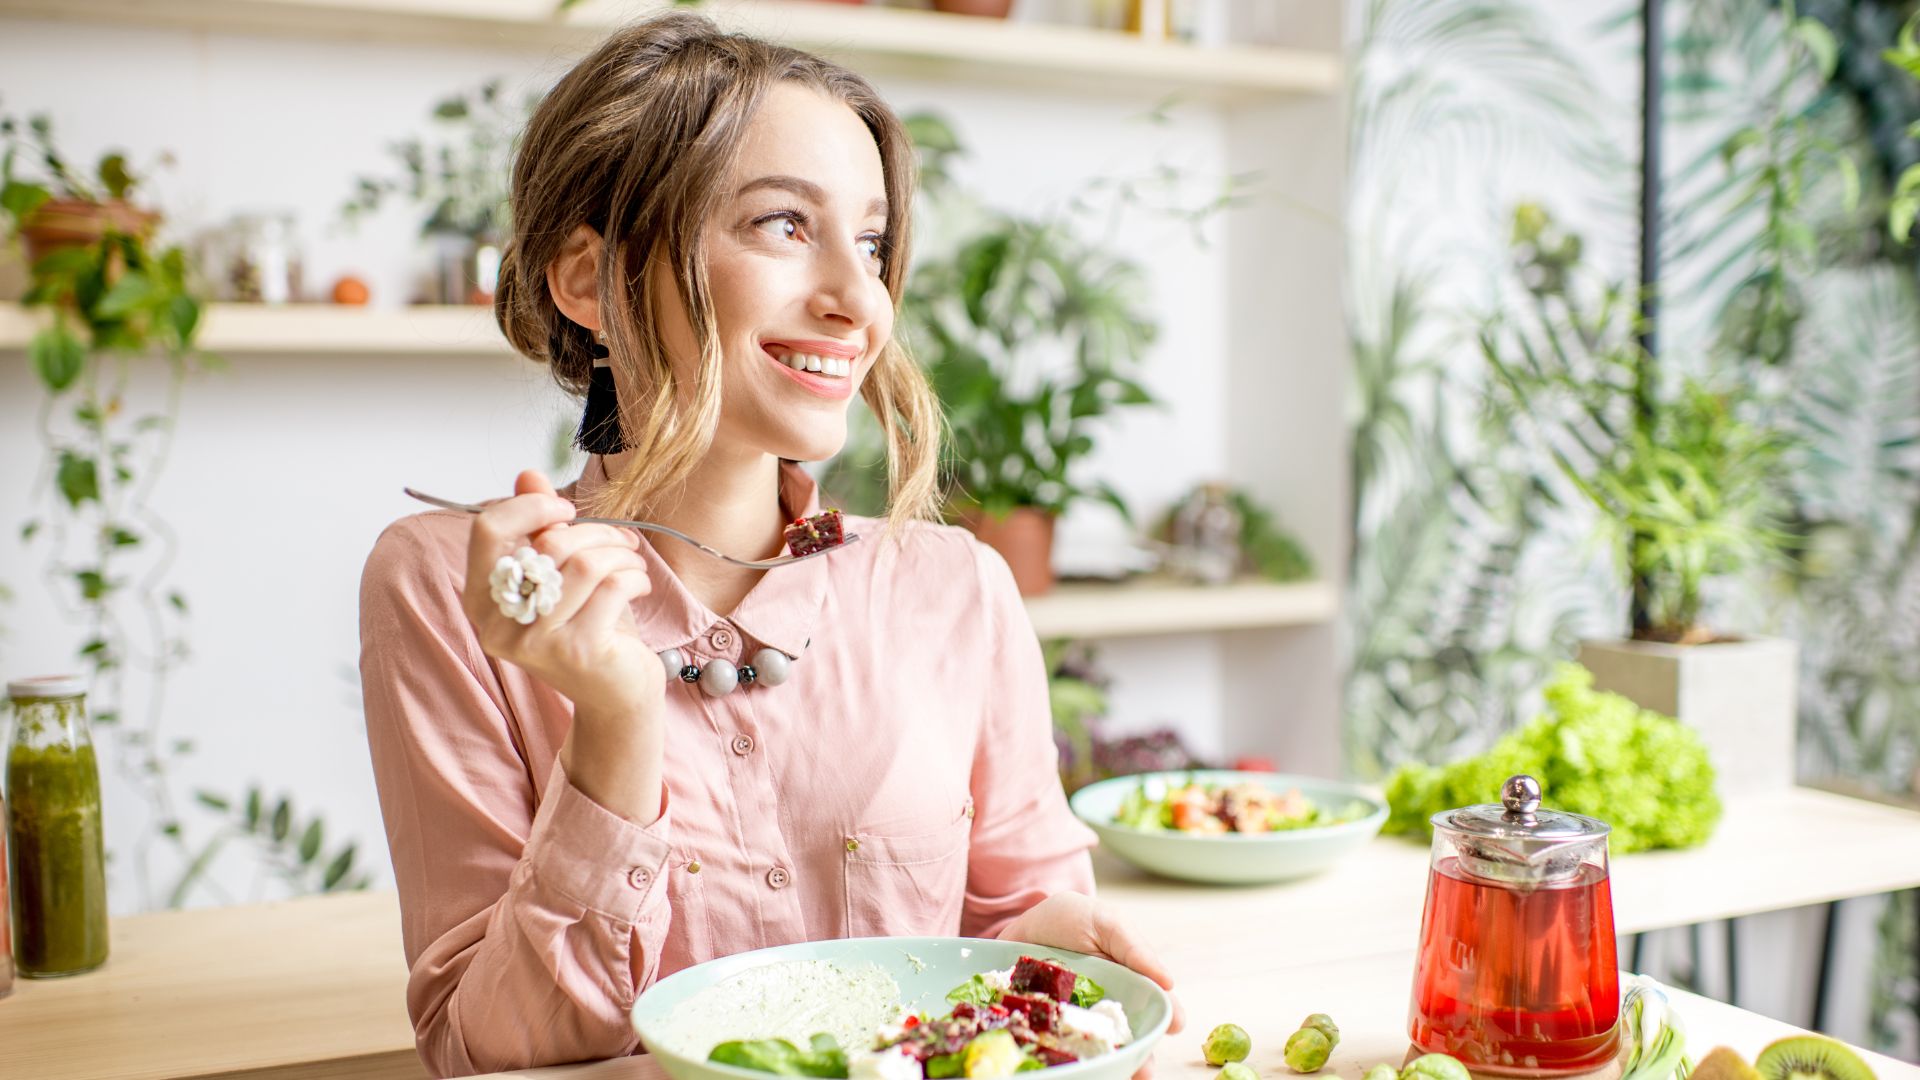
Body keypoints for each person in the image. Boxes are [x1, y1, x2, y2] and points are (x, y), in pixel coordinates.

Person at [359, 13, 1182, 1077]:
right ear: (587, 282)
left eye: (873, 242)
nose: (858, 301)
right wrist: (614, 722)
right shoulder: (450, 588)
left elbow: (1019, 919)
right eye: (784, 225)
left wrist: (1052, 957)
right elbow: (490, 1052)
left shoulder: (956, 589)